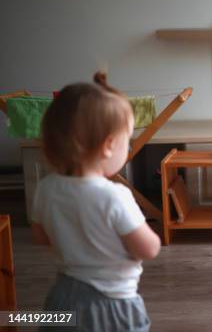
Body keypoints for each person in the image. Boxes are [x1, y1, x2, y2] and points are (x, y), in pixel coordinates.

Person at [31, 72, 160, 331]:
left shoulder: (45, 188)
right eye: (128, 140)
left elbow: (42, 237)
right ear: (109, 146)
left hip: (61, 299)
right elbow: (147, 249)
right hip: (111, 304)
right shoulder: (114, 196)